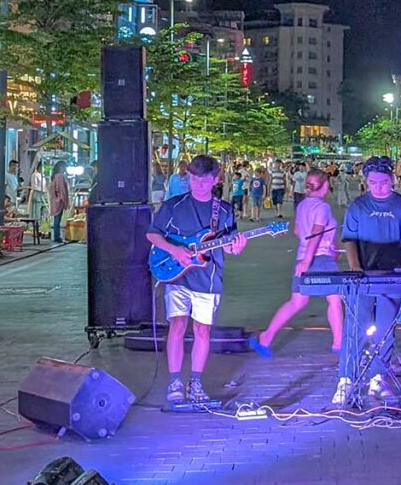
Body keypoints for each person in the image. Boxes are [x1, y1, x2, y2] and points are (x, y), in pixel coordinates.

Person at [146, 155, 248, 404]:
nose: (198, 184)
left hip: (208, 279)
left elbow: (230, 244)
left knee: (203, 330)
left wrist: (238, 246)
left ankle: (196, 381)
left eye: (204, 180)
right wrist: (175, 250)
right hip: (177, 277)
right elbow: (152, 234)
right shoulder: (173, 205)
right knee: (177, 326)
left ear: (215, 180)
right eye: (193, 179)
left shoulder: (223, 210)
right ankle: (174, 382)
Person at [334, 156, 401, 404]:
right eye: (373, 182)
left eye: (383, 182)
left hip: (392, 276)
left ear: (392, 180)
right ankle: (346, 380)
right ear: (366, 182)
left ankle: (378, 378)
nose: (378, 187)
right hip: (363, 275)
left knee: (385, 328)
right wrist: (354, 267)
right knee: (355, 328)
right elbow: (349, 238)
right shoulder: (358, 206)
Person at [250, 169, 343, 357]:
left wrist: (306, 258)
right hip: (321, 259)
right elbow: (315, 235)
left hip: (302, 256)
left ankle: (266, 338)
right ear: (325, 186)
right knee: (335, 299)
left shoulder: (302, 206)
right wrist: (321, 251)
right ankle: (339, 344)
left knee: (296, 302)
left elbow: (298, 232)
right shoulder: (322, 207)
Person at [48, 162, 70, 243]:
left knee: (56, 219)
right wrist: (63, 200)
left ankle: (56, 236)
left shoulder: (54, 176)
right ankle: (57, 237)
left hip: (55, 200)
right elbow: (62, 190)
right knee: (57, 219)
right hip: (59, 201)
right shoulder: (60, 176)